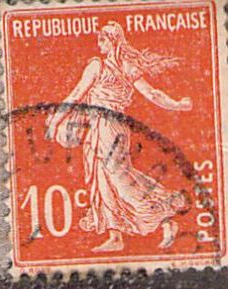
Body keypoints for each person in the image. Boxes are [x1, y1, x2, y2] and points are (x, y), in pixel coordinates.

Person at [47, 22, 192, 253]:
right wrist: (177, 104)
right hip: (108, 127)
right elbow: (153, 94)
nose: (99, 45)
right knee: (103, 179)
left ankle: (165, 217)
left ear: (113, 41)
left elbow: (76, 95)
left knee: (119, 180)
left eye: (103, 40)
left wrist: (55, 121)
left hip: (107, 126)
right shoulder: (126, 66)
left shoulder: (99, 66)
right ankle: (115, 236)